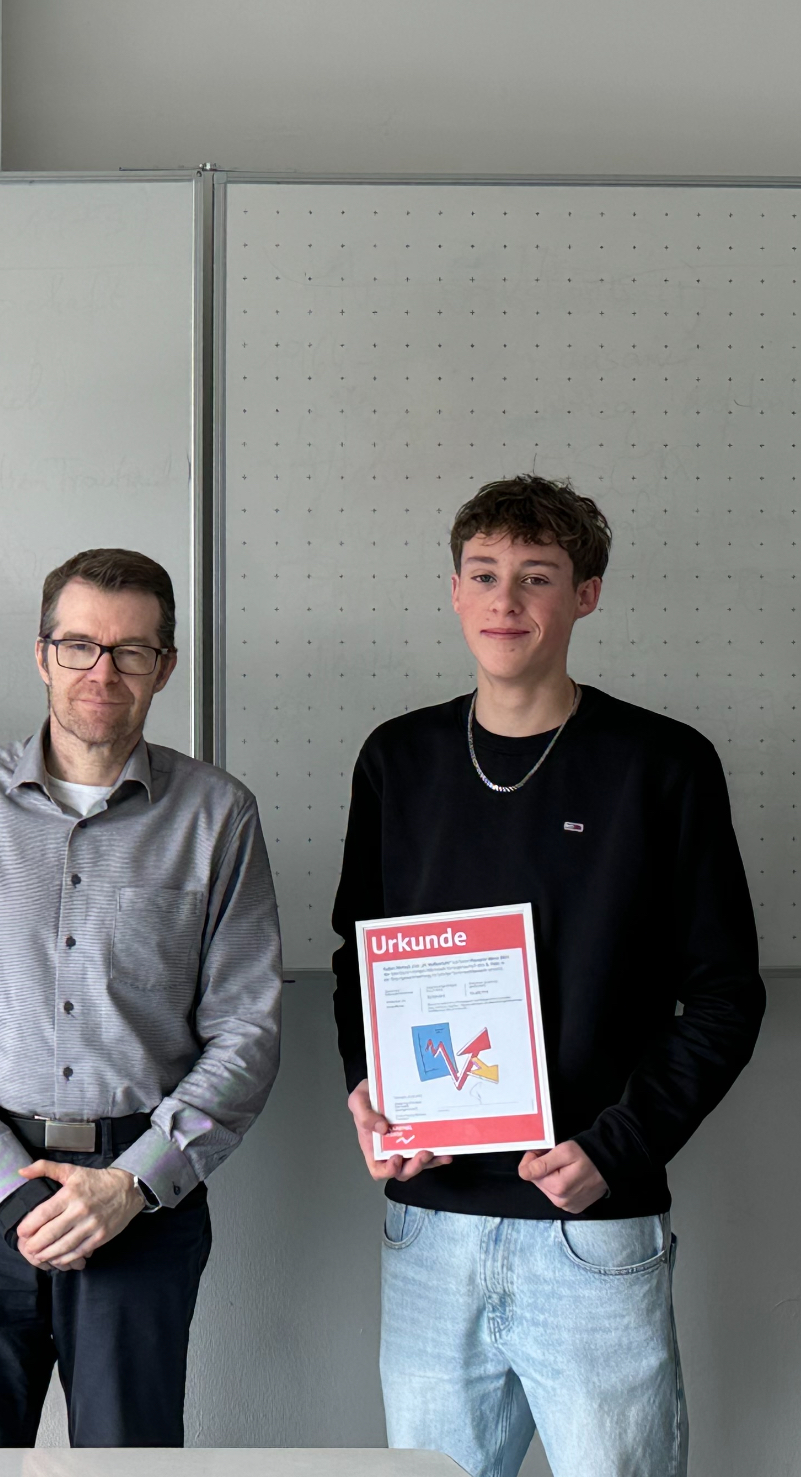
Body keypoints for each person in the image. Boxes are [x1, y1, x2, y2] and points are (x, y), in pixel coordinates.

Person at [332, 475, 765, 1477]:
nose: (505, 600)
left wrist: (618, 1145)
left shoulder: (662, 764)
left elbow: (724, 993)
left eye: (536, 576)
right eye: (483, 574)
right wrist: (367, 1089)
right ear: (453, 590)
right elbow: (359, 956)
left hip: (592, 1231)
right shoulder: (397, 760)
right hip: (429, 1226)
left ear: (585, 595)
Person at [0, 546, 282, 1449]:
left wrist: (130, 1183)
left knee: (129, 1467)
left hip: (140, 1198)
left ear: (164, 667)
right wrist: (2, 1189)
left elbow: (247, 1033)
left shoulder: (217, 816)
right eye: (78, 646)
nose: (102, 671)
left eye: (130, 651)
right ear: (41, 654)